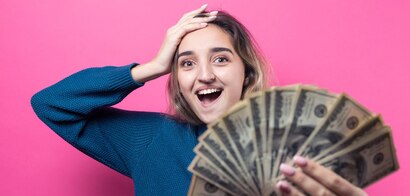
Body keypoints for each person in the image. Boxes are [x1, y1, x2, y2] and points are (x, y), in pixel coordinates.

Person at [31, 4, 366, 196]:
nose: (204, 74)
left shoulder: (296, 157)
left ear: (246, 73)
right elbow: (52, 104)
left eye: (220, 59)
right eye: (187, 63)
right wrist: (150, 68)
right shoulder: (150, 141)